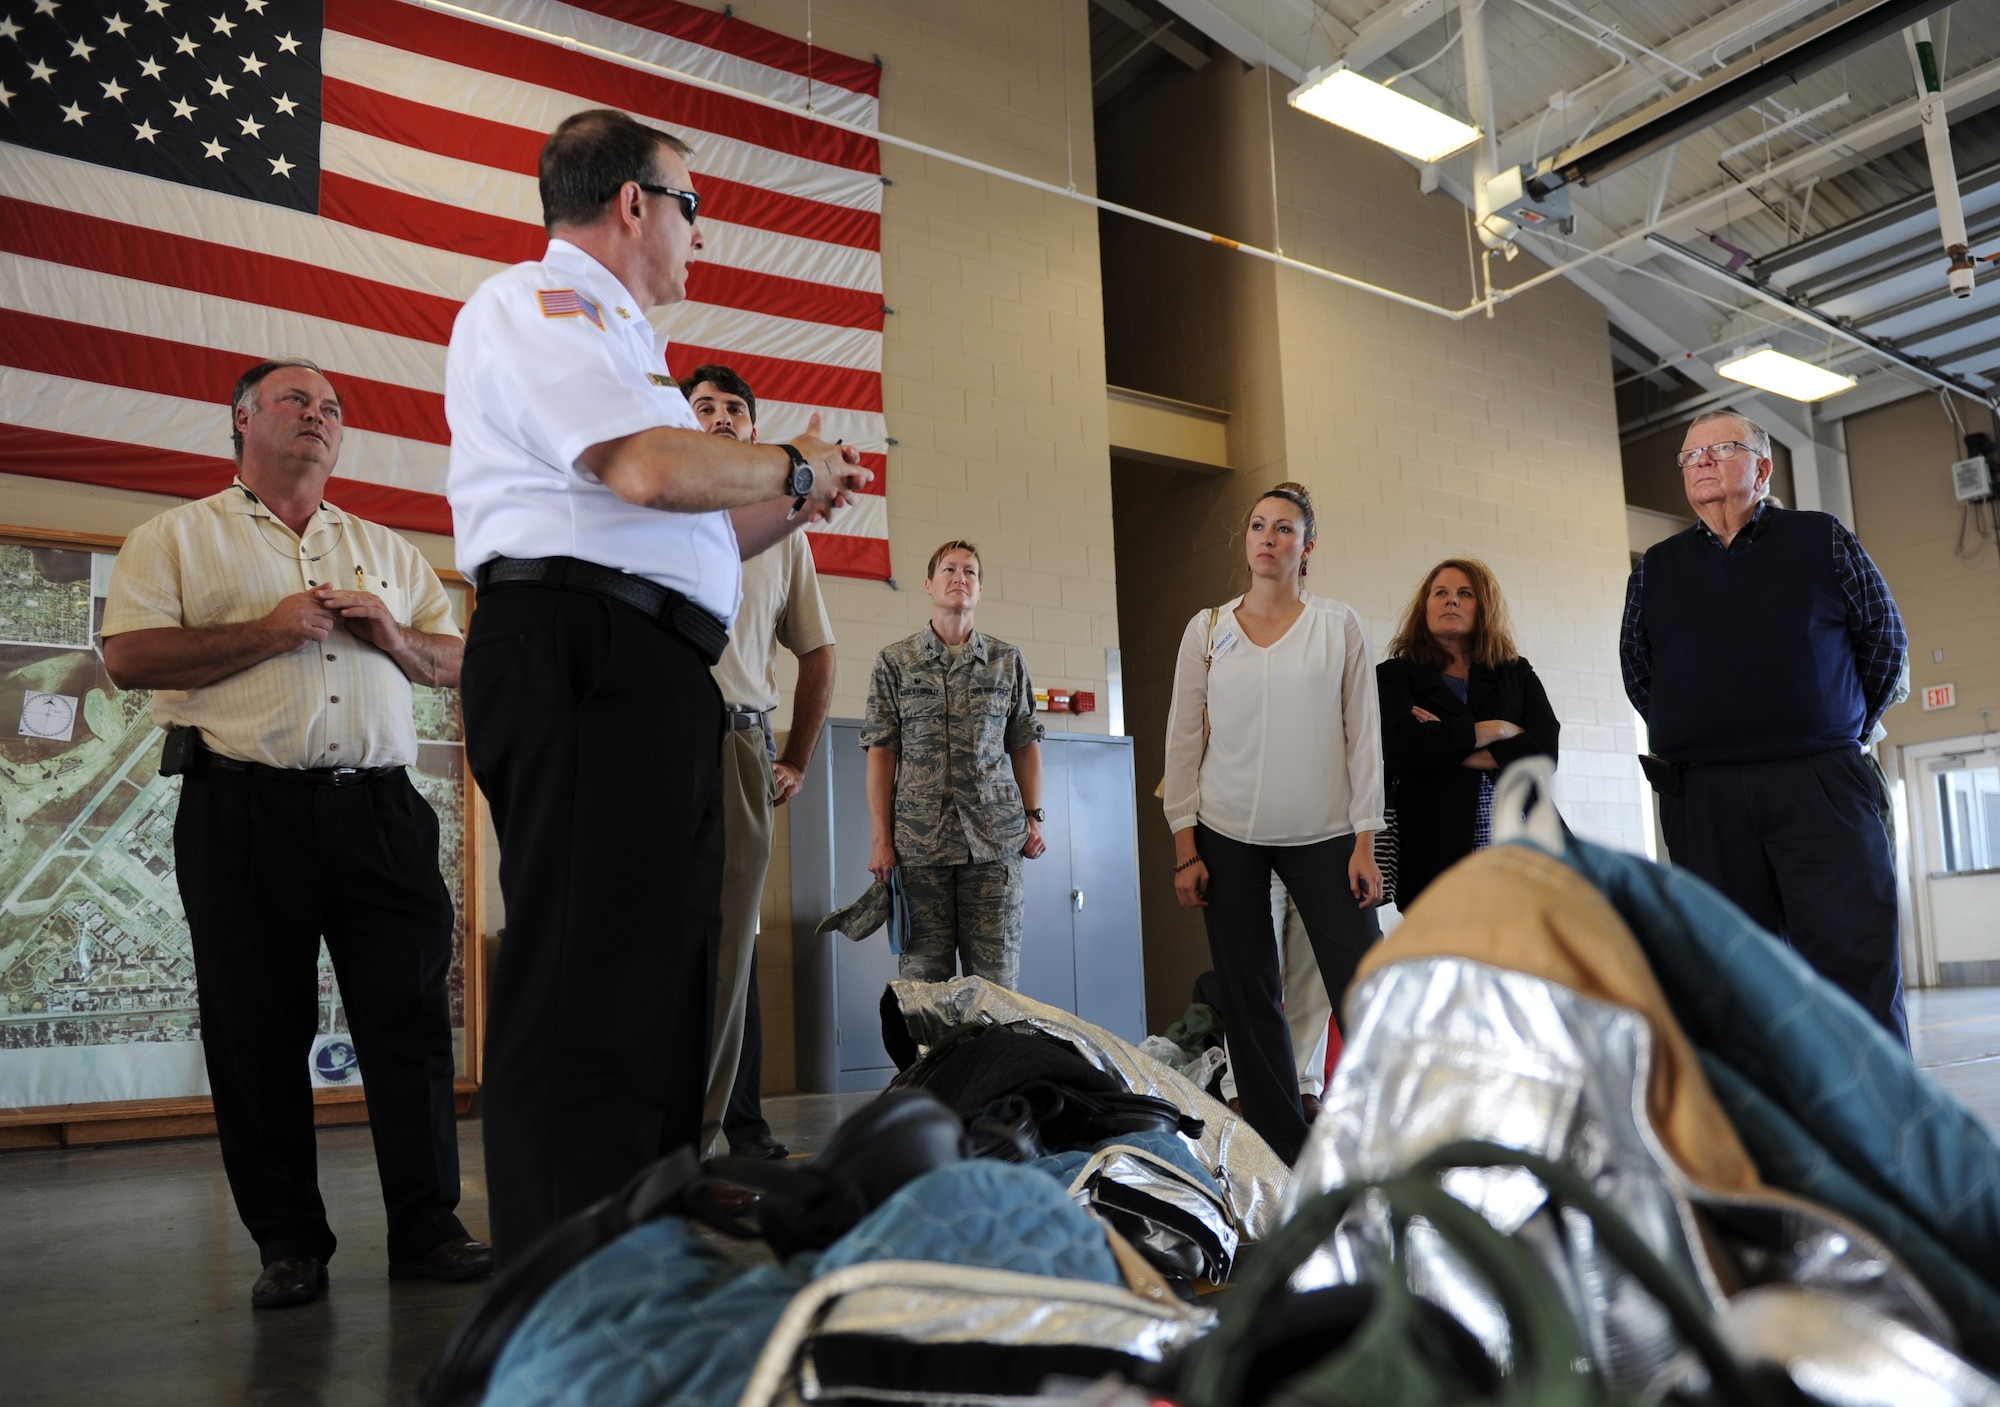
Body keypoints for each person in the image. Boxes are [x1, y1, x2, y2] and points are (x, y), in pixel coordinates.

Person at [444, 109, 870, 1260]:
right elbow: (643, 471)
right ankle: (566, 1268)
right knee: (586, 974)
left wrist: (795, 500)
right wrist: (790, 460)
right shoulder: (542, 304)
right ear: (633, 204)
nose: (698, 236)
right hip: (585, 650)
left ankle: (646, 1223)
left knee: (661, 971)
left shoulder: (626, 350)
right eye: (691, 208)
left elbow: (698, 534)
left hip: (656, 668)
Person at [101, 358, 489, 1308]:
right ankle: (288, 1243)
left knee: (409, 1025)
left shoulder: (387, 549)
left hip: (382, 811)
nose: (318, 416)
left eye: (332, 408)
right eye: (295, 401)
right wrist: (272, 631)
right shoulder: (173, 537)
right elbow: (129, 656)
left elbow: (458, 661)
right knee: (256, 1029)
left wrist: (395, 636)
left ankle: (428, 1225)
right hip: (242, 810)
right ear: (242, 419)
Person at [1622, 409, 1910, 1045]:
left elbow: (1885, 646)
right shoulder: (1655, 568)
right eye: (1690, 455)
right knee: (1729, 976)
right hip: (1705, 798)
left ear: (1762, 468)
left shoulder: (1821, 539)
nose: (1701, 461)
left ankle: (1870, 1102)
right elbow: (1639, 672)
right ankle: (1760, 1107)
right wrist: (1703, 727)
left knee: (1853, 960)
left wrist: (1835, 724)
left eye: (1721, 448)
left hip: (1820, 785)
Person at [1161, 482, 1384, 1166]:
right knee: (1248, 992)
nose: (1268, 537)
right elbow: (1183, 740)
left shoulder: (1339, 626)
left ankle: (1392, 1136)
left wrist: (1366, 839)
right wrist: (1185, 844)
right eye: (1258, 525)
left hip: (1325, 832)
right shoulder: (1207, 629)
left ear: (1306, 547)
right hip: (1225, 833)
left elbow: (1363, 739)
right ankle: (1279, 1150)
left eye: (1284, 528)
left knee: (1362, 984)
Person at [680, 362, 837, 1161]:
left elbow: (819, 651)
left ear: (753, 430)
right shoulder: (656, 505)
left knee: (732, 947)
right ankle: (660, 1138)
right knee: (662, 939)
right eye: (703, 405)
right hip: (658, 739)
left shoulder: (784, 530)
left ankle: (720, 1135)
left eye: (734, 409)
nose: (719, 416)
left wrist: (797, 757)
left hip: (740, 739)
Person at [860, 541, 1046, 990]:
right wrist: (881, 841)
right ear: (929, 584)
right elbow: (881, 753)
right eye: (949, 569)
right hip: (920, 851)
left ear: (980, 590)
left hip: (995, 846)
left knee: (996, 991)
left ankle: (993, 1045)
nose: (960, 577)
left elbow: (1024, 745)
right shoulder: (895, 662)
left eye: (970, 572)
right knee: (925, 992)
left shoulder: (1006, 661)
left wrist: (1033, 817)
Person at [1377, 558, 1560, 906]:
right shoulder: (1395, 675)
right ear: (1425, 606)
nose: (1451, 600)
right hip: (1434, 850)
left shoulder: (1515, 671)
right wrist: (1499, 729)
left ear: (1484, 607)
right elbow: (1400, 748)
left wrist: (1445, 744)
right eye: (1440, 593)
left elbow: (1544, 750)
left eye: (1465, 593)